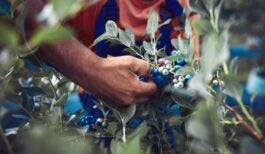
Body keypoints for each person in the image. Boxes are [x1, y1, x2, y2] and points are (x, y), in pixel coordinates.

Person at [68, 0, 200, 116]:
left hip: (156, 113)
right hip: (101, 110)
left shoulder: (182, 7)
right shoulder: (93, 5)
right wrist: (91, 70)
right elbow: (50, 38)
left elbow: (194, 55)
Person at [22, 0, 158, 106]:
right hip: (101, 119)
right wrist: (91, 69)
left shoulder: (178, 7)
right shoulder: (86, 5)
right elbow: (20, 10)